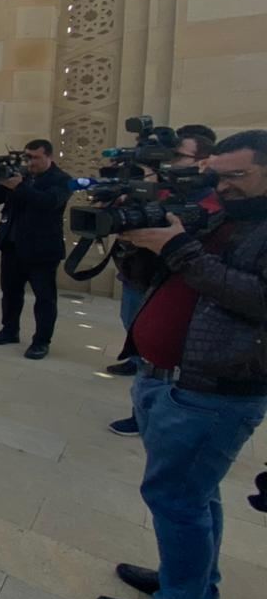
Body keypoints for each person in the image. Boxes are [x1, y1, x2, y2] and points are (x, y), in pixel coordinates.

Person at [94, 130, 267, 599]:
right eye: (217, 174)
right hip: (166, 377)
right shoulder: (220, 213)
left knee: (177, 499)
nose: (223, 185)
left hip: (214, 388)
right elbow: (163, 280)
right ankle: (192, 586)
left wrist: (179, 248)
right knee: (193, 495)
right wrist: (139, 247)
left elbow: (255, 297)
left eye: (236, 175)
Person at [107, 126, 217, 436]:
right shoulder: (155, 190)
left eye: (178, 157)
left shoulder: (214, 201)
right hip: (139, 280)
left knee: (165, 357)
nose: (169, 164)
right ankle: (143, 411)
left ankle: (156, 416)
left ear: (204, 161)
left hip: (178, 289)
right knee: (144, 347)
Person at [0, 139, 71, 360]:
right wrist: (1, 179)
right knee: (11, 293)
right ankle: (9, 330)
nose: (30, 162)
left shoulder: (62, 180)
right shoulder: (20, 174)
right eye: (27, 157)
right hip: (12, 246)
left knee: (44, 298)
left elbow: (48, 203)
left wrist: (19, 186)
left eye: (35, 157)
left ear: (49, 157)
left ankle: (41, 341)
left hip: (41, 249)